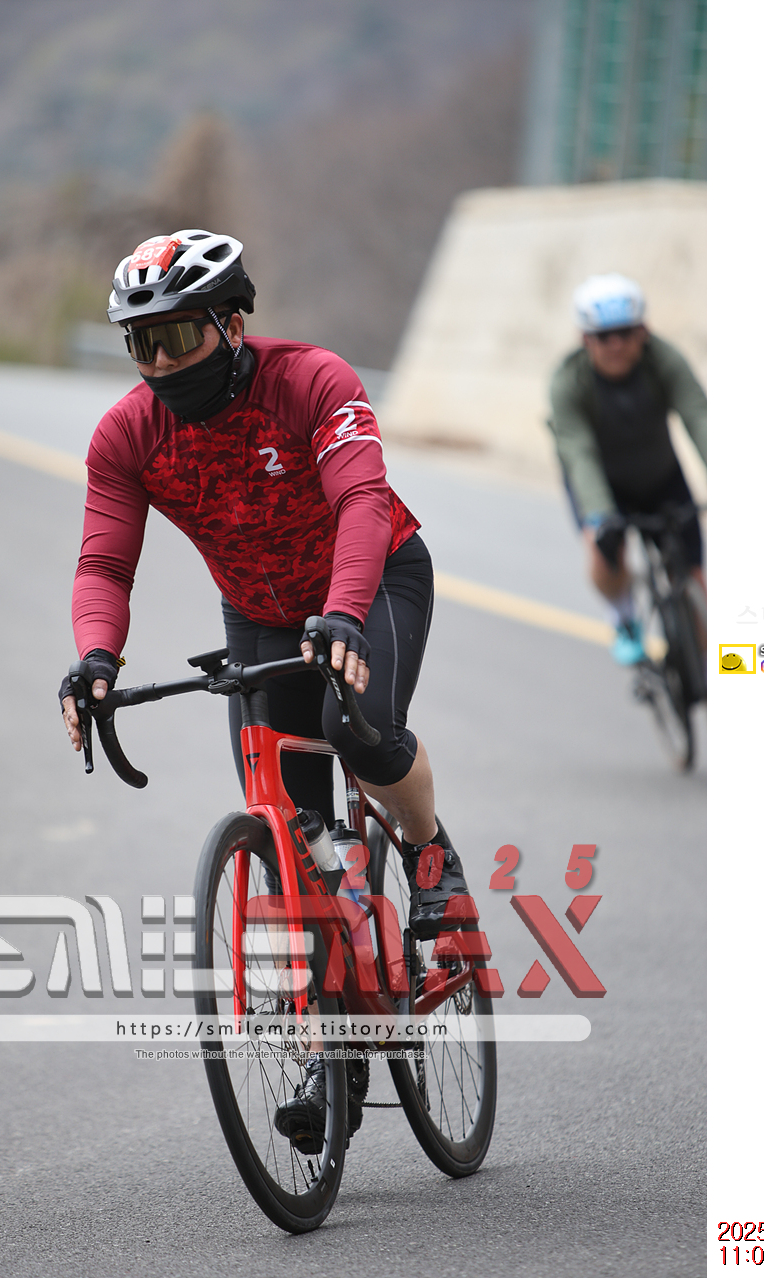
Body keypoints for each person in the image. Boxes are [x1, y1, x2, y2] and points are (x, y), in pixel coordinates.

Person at [59, 228, 468, 1148]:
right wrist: (96, 660)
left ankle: (427, 850)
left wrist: (346, 612)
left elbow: (362, 501)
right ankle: (334, 1044)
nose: (161, 362)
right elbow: (104, 564)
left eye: (179, 336)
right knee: (291, 824)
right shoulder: (127, 435)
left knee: (356, 730)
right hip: (258, 612)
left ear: (232, 324)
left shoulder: (313, 381)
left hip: (373, 581)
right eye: (142, 343)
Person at [547, 274, 707, 664]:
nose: (616, 345)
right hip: (601, 483)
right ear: (586, 340)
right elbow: (579, 453)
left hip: (660, 476)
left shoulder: (665, 360)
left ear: (643, 332)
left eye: (625, 333)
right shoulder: (568, 382)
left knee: (697, 580)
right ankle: (624, 618)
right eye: (604, 336)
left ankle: (705, 669)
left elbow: (699, 418)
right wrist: (601, 517)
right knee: (605, 553)